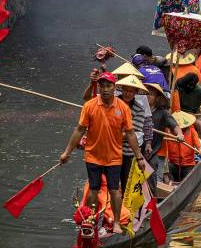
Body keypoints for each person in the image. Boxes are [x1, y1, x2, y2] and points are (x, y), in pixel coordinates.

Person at [58, 72, 144, 235]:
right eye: (102, 86)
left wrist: (139, 156)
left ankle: (117, 222)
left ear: (114, 88)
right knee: (93, 190)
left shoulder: (123, 108)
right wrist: (66, 152)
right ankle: (90, 220)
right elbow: (79, 130)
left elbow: (131, 134)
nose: (105, 89)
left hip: (114, 157)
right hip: (93, 155)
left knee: (114, 190)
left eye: (108, 86)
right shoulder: (89, 106)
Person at [115, 75, 153, 193]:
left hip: (128, 152)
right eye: (126, 90)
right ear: (122, 89)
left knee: (126, 183)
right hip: (111, 151)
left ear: (136, 92)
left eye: (131, 91)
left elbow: (132, 133)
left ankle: (125, 210)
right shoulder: (112, 103)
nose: (128, 93)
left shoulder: (139, 109)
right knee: (111, 184)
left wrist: (112, 135)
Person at [145, 83, 183, 192]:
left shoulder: (163, 113)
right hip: (137, 151)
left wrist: (179, 135)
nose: (148, 96)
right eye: (146, 94)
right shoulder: (139, 109)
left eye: (151, 94)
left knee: (155, 179)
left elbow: (174, 126)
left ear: (157, 98)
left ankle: (154, 203)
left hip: (155, 153)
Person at [166, 111, 201, 183]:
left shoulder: (191, 130)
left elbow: (199, 147)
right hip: (174, 164)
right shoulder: (168, 133)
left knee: (187, 178)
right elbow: (165, 151)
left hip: (188, 164)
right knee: (167, 168)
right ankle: (170, 183)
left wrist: (200, 151)